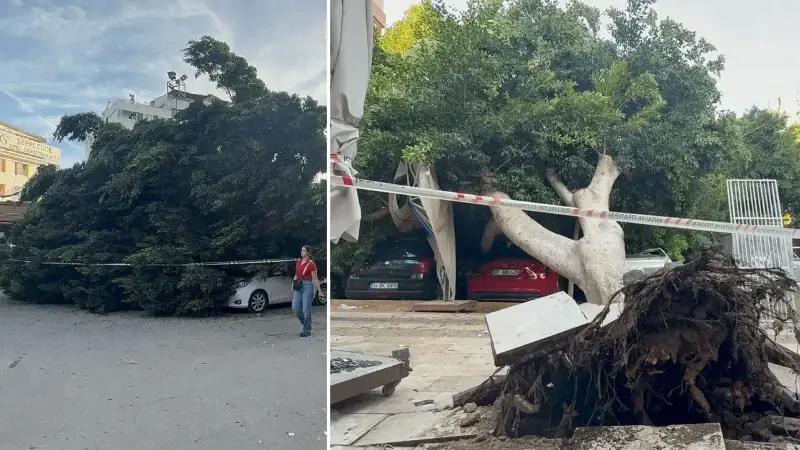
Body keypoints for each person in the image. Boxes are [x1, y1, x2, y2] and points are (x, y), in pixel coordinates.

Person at [292, 245, 320, 337]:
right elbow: (296, 274)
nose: (301, 252)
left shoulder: (311, 264)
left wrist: (319, 290)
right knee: (295, 307)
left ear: (308, 252)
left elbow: (315, 278)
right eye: (301, 250)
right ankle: (306, 324)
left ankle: (307, 330)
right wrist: (293, 283)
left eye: (303, 250)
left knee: (306, 309)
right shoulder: (298, 263)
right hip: (298, 285)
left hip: (308, 285)